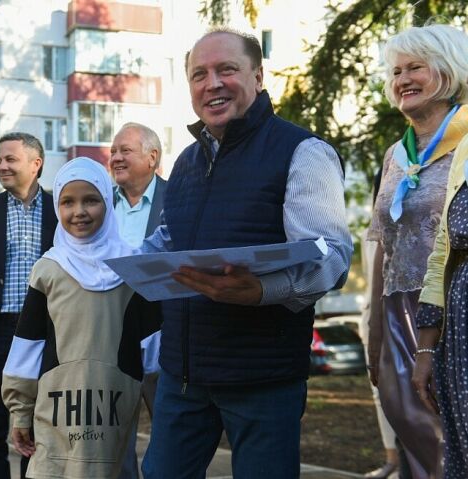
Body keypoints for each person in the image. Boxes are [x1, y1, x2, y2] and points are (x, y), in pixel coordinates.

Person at [140, 28, 352, 479]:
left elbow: (333, 260)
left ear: (257, 75)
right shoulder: (185, 162)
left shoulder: (303, 151)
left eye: (226, 70)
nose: (211, 83)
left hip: (263, 380)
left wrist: (261, 290)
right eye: (199, 74)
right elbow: (165, 240)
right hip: (182, 377)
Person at [1, 157, 162, 479]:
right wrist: (21, 413)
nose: (79, 212)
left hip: (114, 406)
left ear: (107, 201)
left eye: (91, 200)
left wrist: (163, 414)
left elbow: (153, 351)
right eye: (67, 202)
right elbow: (28, 346)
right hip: (56, 405)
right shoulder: (48, 268)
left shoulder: (132, 267)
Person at [366, 24, 468, 479]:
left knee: (448, 444)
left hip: (451, 313)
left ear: (447, 72)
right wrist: (373, 331)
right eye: (396, 71)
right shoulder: (395, 156)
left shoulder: (466, 143)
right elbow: (382, 246)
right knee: (412, 438)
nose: (402, 79)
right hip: (394, 312)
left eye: (415, 68)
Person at [0, 132, 58, 479]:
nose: (2, 166)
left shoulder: (59, 210)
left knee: (37, 429)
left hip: (45, 335)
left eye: (10, 159)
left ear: (36, 164)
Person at [410, 25, 468, 479]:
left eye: (416, 67)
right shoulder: (464, 147)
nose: (403, 78)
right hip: (457, 327)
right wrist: (426, 351)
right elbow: (441, 254)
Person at [109, 122, 166, 479]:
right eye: (113, 152)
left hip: (164, 337)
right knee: (115, 442)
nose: (115, 158)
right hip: (112, 338)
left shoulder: (178, 197)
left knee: (172, 439)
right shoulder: (98, 204)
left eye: (124, 151)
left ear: (152, 156)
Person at [360, 167, 400, 479]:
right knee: (382, 394)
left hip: (403, 318)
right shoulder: (370, 234)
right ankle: (392, 459)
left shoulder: (408, 225)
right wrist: (372, 327)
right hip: (373, 319)